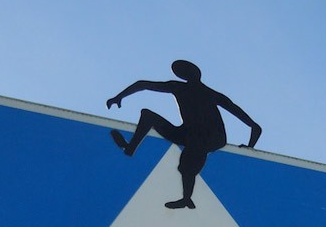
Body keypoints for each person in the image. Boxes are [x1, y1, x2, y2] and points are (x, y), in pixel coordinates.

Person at [106, 60, 262, 209]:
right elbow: (143, 84)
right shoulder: (179, 87)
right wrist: (119, 96)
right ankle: (130, 148)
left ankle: (187, 199)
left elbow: (253, 125)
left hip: (211, 138)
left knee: (188, 162)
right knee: (148, 116)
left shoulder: (210, 94)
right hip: (187, 133)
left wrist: (250, 148)